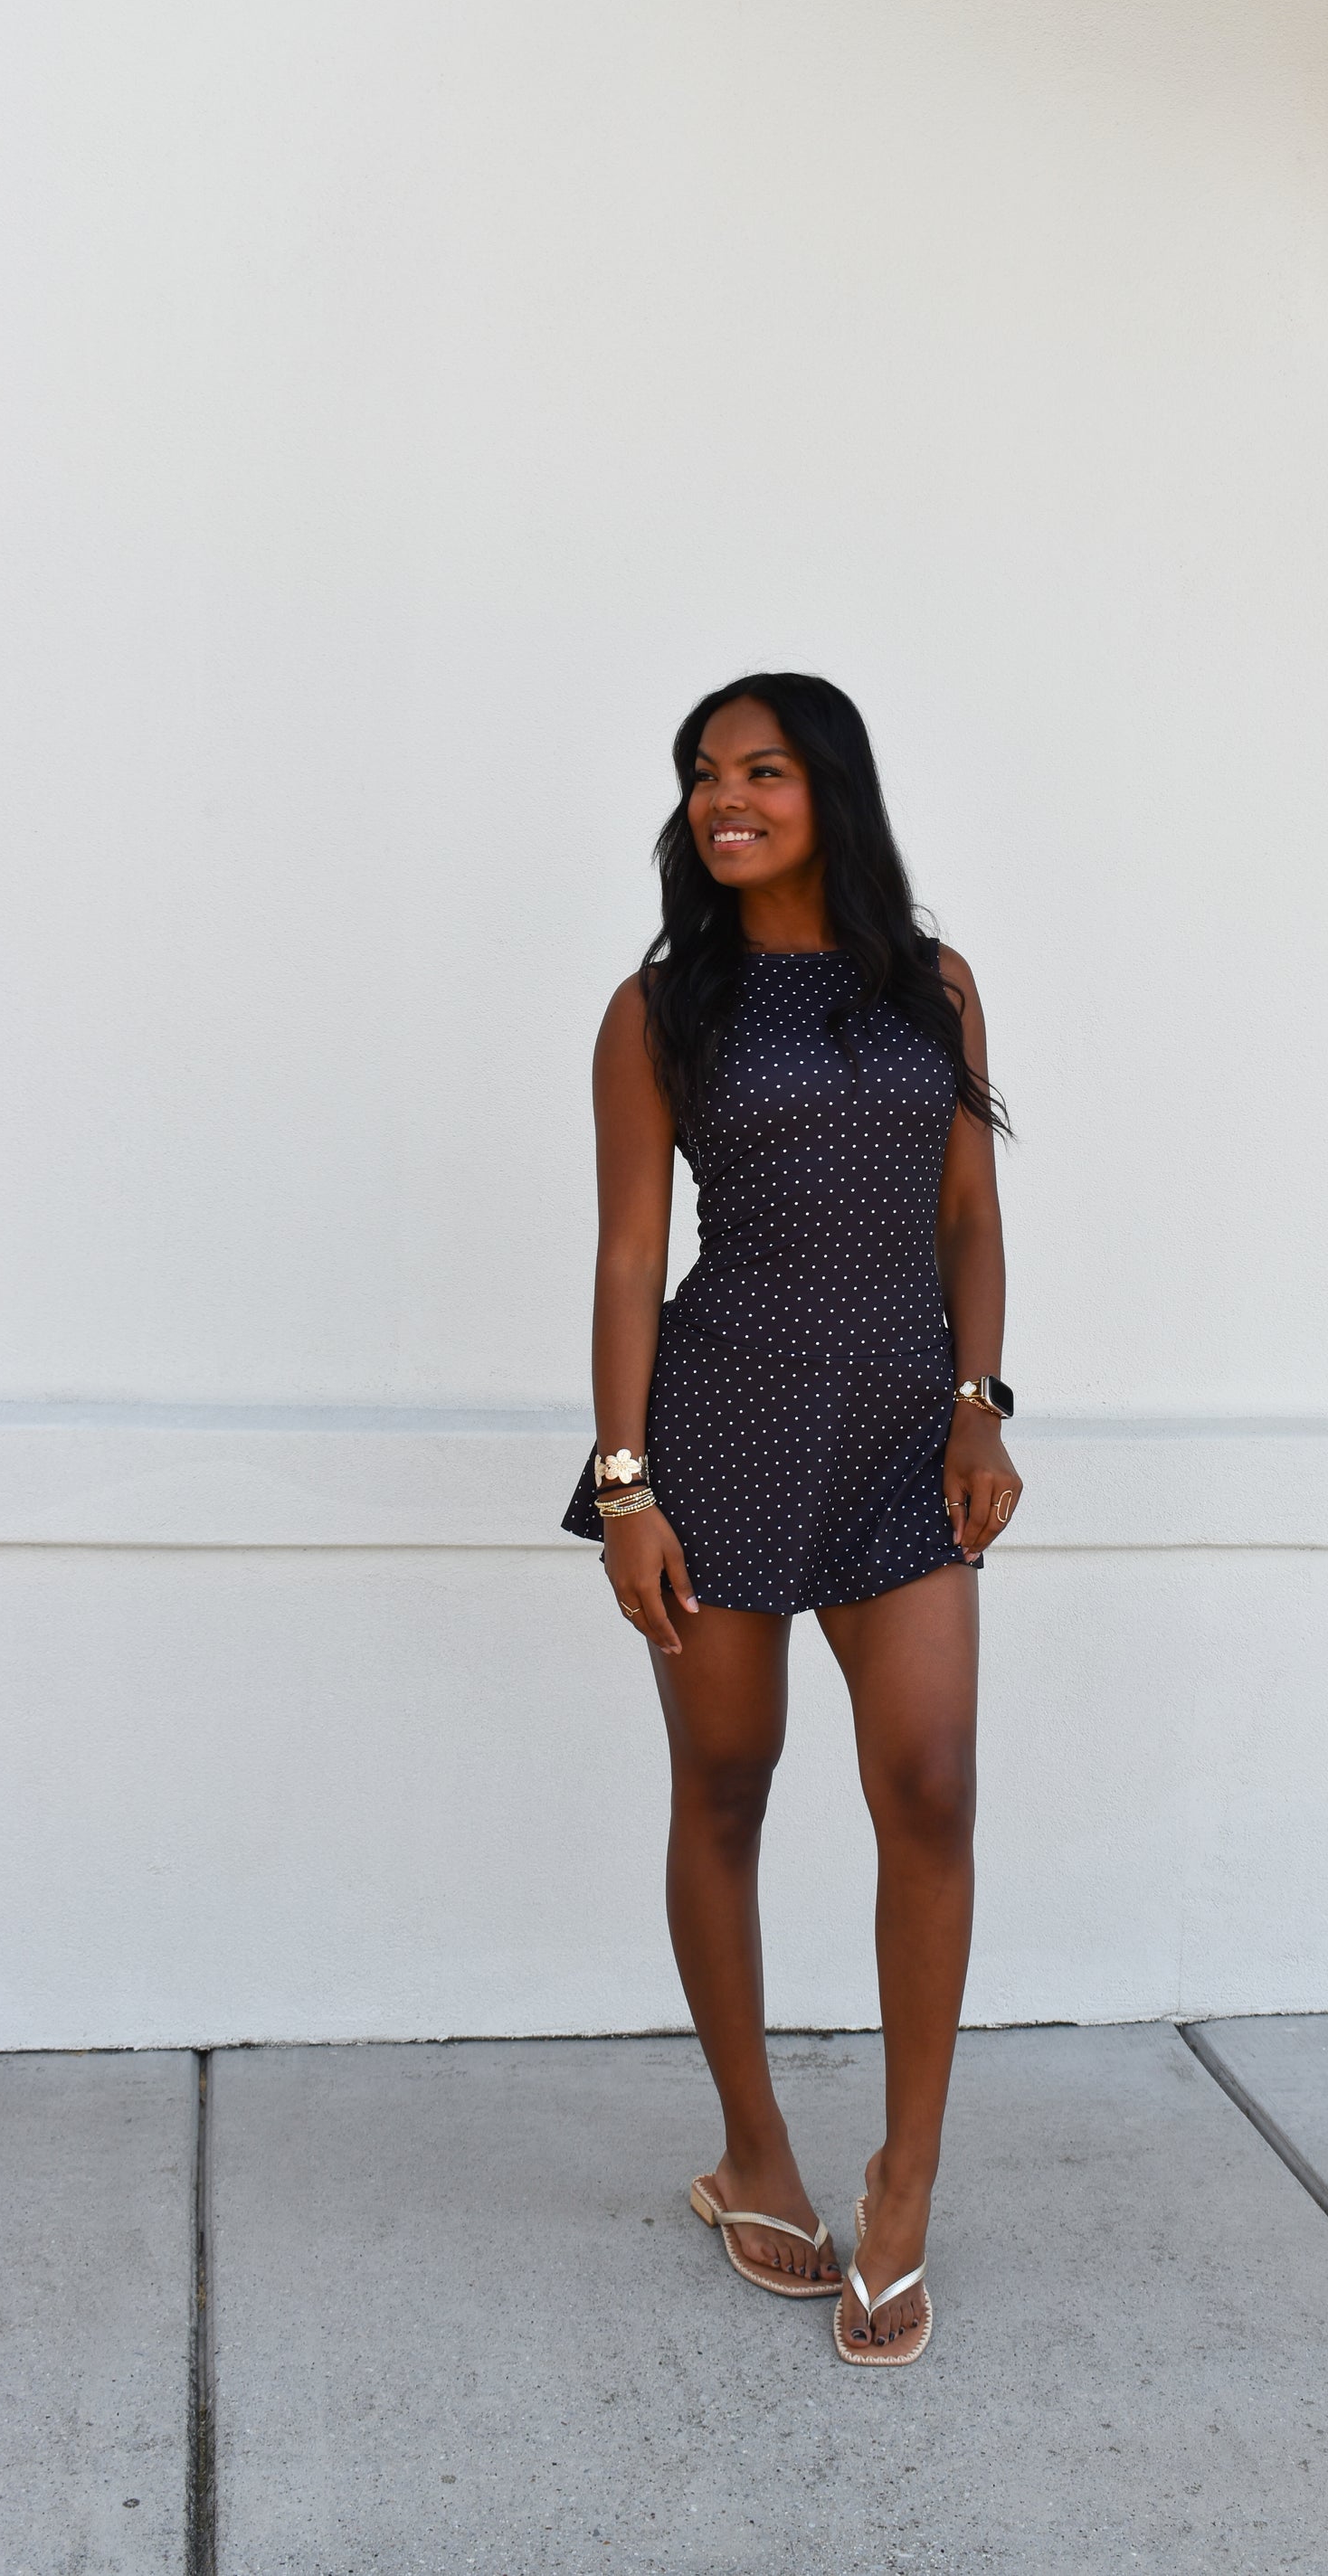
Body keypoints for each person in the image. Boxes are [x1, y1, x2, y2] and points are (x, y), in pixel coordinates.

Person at [562, 672, 1020, 2365]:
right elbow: (628, 1257)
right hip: (722, 1430)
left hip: (900, 1436)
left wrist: (979, 1400)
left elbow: (967, 1216)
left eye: (759, 769)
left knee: (932, 1786)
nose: (722, 799)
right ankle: (752, 2153)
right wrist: (627, 1486)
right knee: (727, 1786)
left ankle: (904, 2183)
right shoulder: (660, 1009)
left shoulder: (934, 989)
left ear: (831, 789)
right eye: (702, 773)